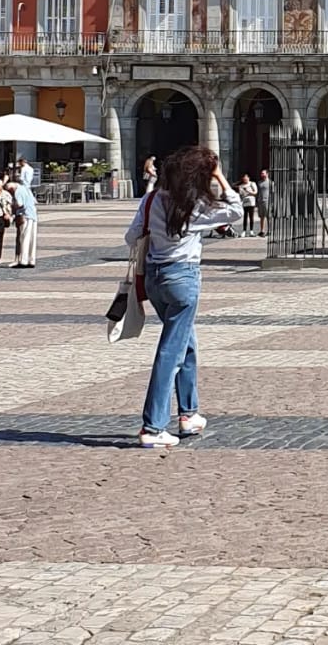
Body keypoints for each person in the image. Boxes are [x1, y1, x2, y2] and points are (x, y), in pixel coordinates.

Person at [125, 145, 243, 449]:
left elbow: (131, 236)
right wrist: (220, 176)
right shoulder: (196, 205)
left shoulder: (151, 199)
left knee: (186, 342)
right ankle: (152, 426)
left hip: (154, 278)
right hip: (182, 278)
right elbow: (236, 211)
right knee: (171, 351)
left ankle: (188, 414)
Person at [5, 179, 37, 268]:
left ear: (11, 188)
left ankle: (23, 260)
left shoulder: (17, 192)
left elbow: (20, 204)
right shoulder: (26, 188)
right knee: (31, 239)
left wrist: (11, 206)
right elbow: (34, 201)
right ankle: (32, 260)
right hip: (33, 215)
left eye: (9, 191)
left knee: (24, 238)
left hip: (24, 216)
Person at [256, 168, 271, 238]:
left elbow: (273, 193)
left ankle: (270, 230)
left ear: (267, 174)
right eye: (261, 173)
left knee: (268, 216)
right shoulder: (259, 182)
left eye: (263, 173)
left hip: (267, 201)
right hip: (260, 201)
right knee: (261, 216)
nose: (262, 174)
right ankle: (262, 231)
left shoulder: (271, 183)